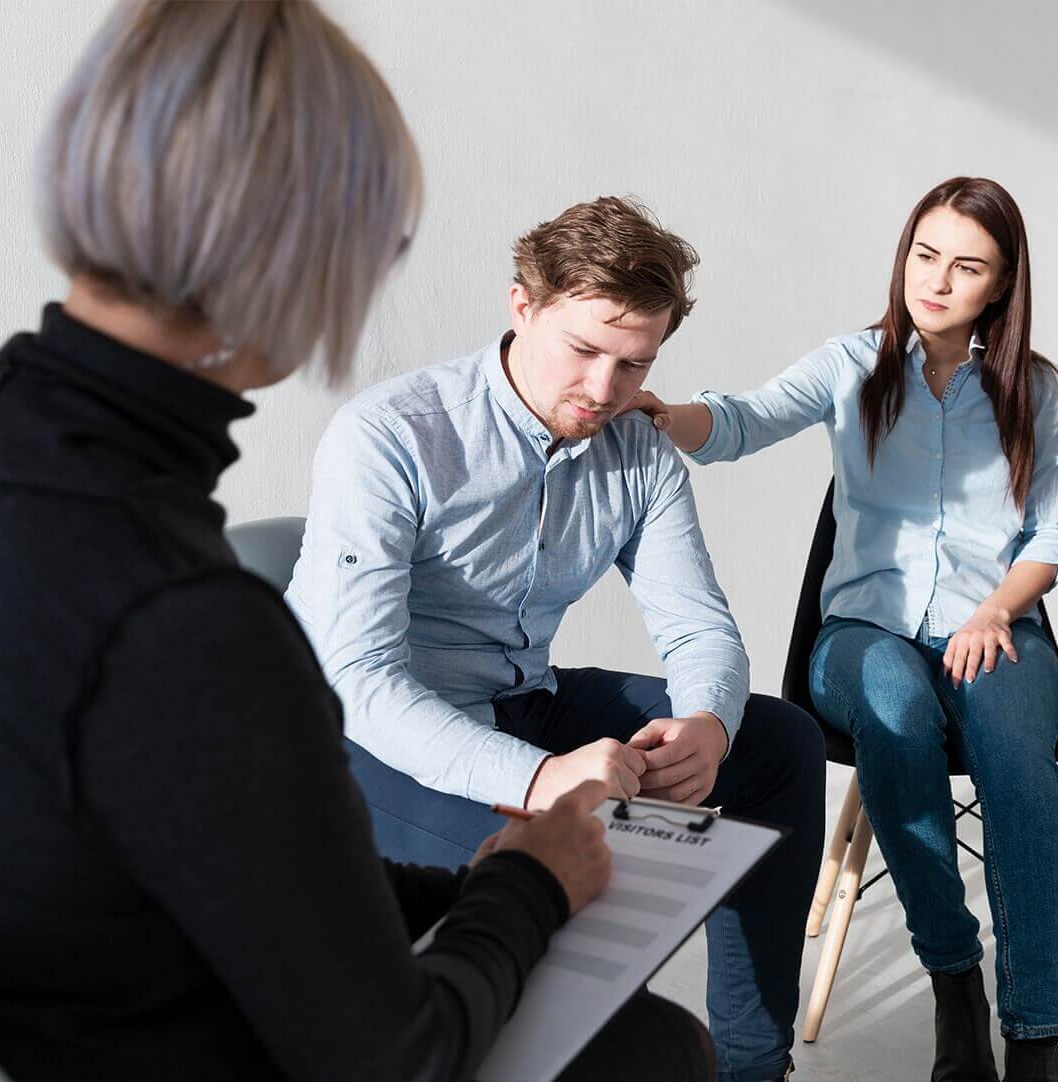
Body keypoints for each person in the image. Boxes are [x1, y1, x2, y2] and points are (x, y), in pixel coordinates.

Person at [0, 3, 711, 1079]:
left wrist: (501, 875)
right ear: (307, 250)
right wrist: (535, 884)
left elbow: (213, 857)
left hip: (13, 1013)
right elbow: (396, 1056)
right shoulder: (189, 615)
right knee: (653, 1050)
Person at [285, 194, 825, 1082]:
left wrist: (708, 726)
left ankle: (754, 1070)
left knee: (779, 742)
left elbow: (698, 626)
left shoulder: (638, 448)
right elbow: (360, 681)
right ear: (522, 308)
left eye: (634, 363)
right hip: (370, 742)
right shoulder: (390, 437)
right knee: (576, 871)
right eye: (583, 351)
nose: (605, 391)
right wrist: (539, 779)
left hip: (524, 701)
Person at [627, 176, 1058, 1082]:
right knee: (897, 704)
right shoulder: (851, 363)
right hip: (860, 637)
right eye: (924, 255)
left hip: (996, 632)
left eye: (966, 267)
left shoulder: (1032, 388)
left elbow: (1053, 532)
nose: (937, 281)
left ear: (1001, 283)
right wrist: (669, 415)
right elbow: (747, 420)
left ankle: (1032, 1034)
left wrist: (996, 610)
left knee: (1015, 758)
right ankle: (955, 982)